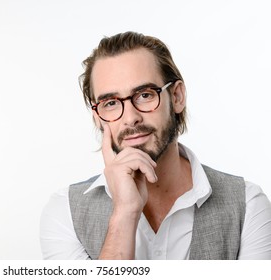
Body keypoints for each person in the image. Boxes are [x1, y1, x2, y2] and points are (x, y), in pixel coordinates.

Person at [40, 31, 271, 260]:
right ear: (97, 116)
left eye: (144, 95)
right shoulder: (64, 212)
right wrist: (124, 213)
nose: (130, 118)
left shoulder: (249, 205)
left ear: (177, 97)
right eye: (110, 103)